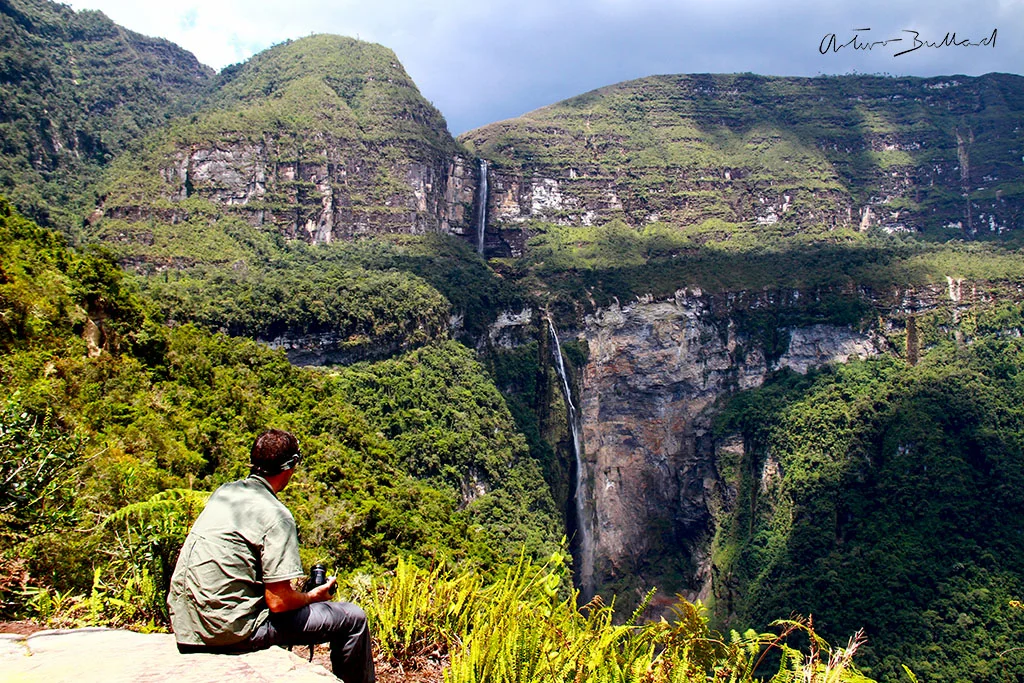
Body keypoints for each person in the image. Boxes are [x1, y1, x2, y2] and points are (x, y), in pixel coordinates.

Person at [167, 429, 375, 683]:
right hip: (230, 631)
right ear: (289, 468)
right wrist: (312, 596)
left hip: (188, 625)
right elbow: (278, 602)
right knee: (353, 618)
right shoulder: (277, 516)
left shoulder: (225, 493)